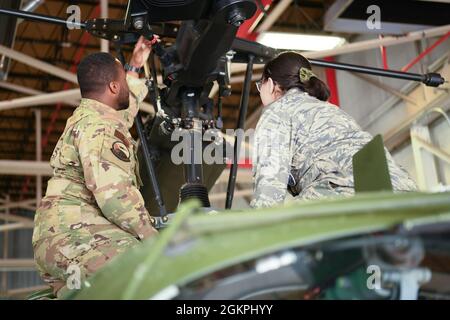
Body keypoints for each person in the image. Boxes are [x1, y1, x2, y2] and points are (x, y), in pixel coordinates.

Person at [32, 36, 159, 296]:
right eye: (123, 81)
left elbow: (124, 112)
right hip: (74, 236)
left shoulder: (88, 116)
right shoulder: (100, 127)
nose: (125, 86)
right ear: (113, 87)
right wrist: (153, 238)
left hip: (58, 237)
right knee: (147, 267)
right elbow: (114, 195)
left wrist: (134, 66)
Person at [251, 51, 417, 208]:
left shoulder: (277, 111)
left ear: (272, 85)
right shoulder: (331, 109)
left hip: (346, 195)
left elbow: (268, 193)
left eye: (261, 85)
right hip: (402, 192)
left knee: (284, 221)